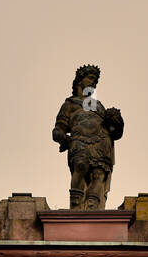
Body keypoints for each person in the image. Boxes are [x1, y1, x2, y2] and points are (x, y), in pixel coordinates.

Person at [52, 65, 124, 210]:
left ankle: (93, 206)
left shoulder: (99, 106)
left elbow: (115, 133)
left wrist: (118, 123)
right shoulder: (69, 104)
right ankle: (76, 204)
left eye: (95, 81)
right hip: (79, 142)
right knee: (80, 165)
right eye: (90, 78)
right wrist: (63, 138)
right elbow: (58, 129)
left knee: (98, 175)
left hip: (101, 143)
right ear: (80, 80)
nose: (93, 83)